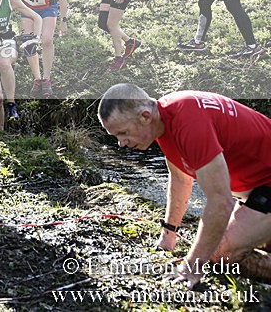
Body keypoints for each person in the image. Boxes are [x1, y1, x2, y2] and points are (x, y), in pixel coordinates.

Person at [98, 83, 271, 287]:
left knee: (220, 253)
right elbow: (181, 179)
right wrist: (169, 234)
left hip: (265, 185)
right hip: (258, 188)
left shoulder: (189, 123)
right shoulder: (165, 121)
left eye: (123, 133)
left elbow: (221, 202)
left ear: (145, 116)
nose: (121, 143)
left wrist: (192, 266)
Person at [8, 0, 68, 97]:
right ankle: (37, 79)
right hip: (28, 8)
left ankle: (47, 79)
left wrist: (63, 21)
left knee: (47, 40)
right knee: (28, 41)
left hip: (48, 8)